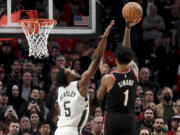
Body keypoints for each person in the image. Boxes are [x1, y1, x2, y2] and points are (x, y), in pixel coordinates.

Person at [54, 20, 114, 135]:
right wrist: (104, 38)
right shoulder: (80, 84)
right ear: (68, 78)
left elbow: (59, 110)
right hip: (72, 131)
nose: (73, 70)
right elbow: (96, 59)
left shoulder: (60, 90)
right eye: (69, 71)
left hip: (59, 130)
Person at [97, 17, 141, 135]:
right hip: (130, 117)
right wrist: (128, 29)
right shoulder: (135, 72)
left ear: (115, 60)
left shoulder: (109, 78)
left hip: (113, 117)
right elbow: (127, 49)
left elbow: (99, 96)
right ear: (130, 60)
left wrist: (102, 75)